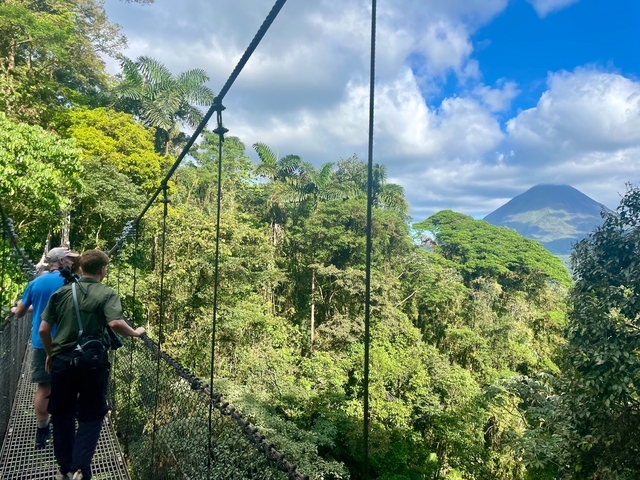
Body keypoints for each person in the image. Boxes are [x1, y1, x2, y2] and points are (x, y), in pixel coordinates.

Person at [39, 249, 145, 480]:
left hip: (62, 362)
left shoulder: (62, 292)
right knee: (92, 414)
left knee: (62, 414)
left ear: (79, 268)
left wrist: (50, 354)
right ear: (102, 269)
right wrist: (136, 333)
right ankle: (80, 468)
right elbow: (115, 322)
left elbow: (43, 330)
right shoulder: (107, 293)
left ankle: (65, 468)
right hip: (92, 364)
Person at [10, 246, 79, 449]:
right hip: (69, 343)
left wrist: (17, 308)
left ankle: (42, 431)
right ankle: (67, 425)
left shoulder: (36, 283)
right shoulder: (74, 282)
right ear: (61, 262)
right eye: (69, 259)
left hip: (42, 343)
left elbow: (21, 313)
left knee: (44, 386)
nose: (73, 262)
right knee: (71, 385)